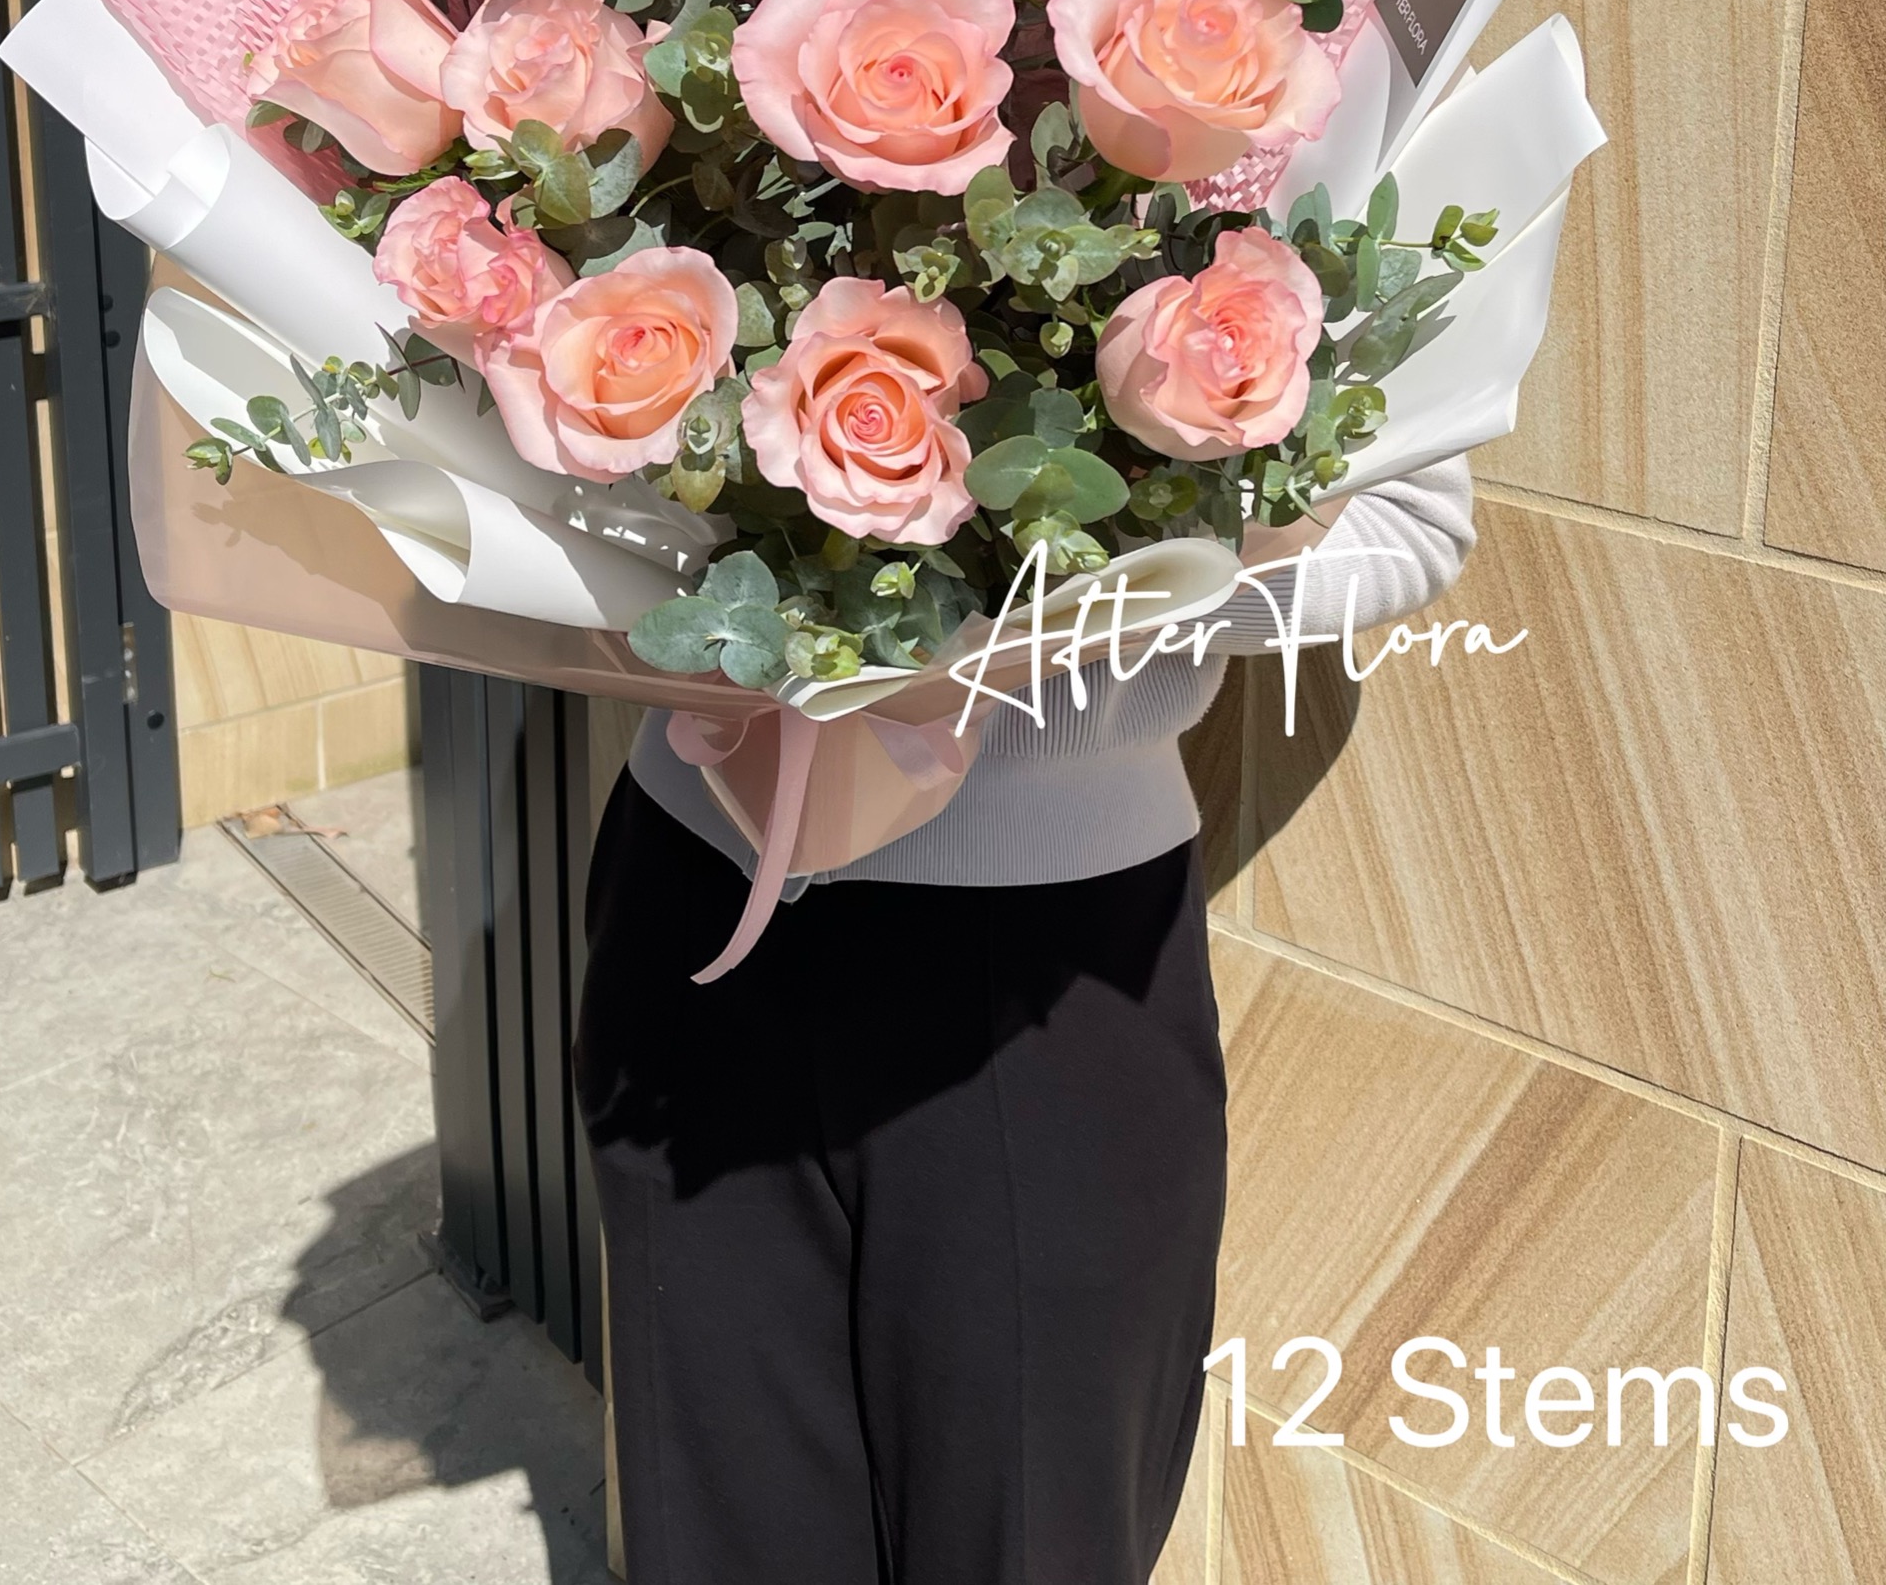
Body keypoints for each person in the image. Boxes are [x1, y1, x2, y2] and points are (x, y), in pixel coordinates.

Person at [577, 459, 1475, 1584]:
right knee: (721, 1511)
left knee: (1031, 1530)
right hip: (700, 873)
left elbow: (1409, 525)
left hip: (1052, 949)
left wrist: (1075, 594)